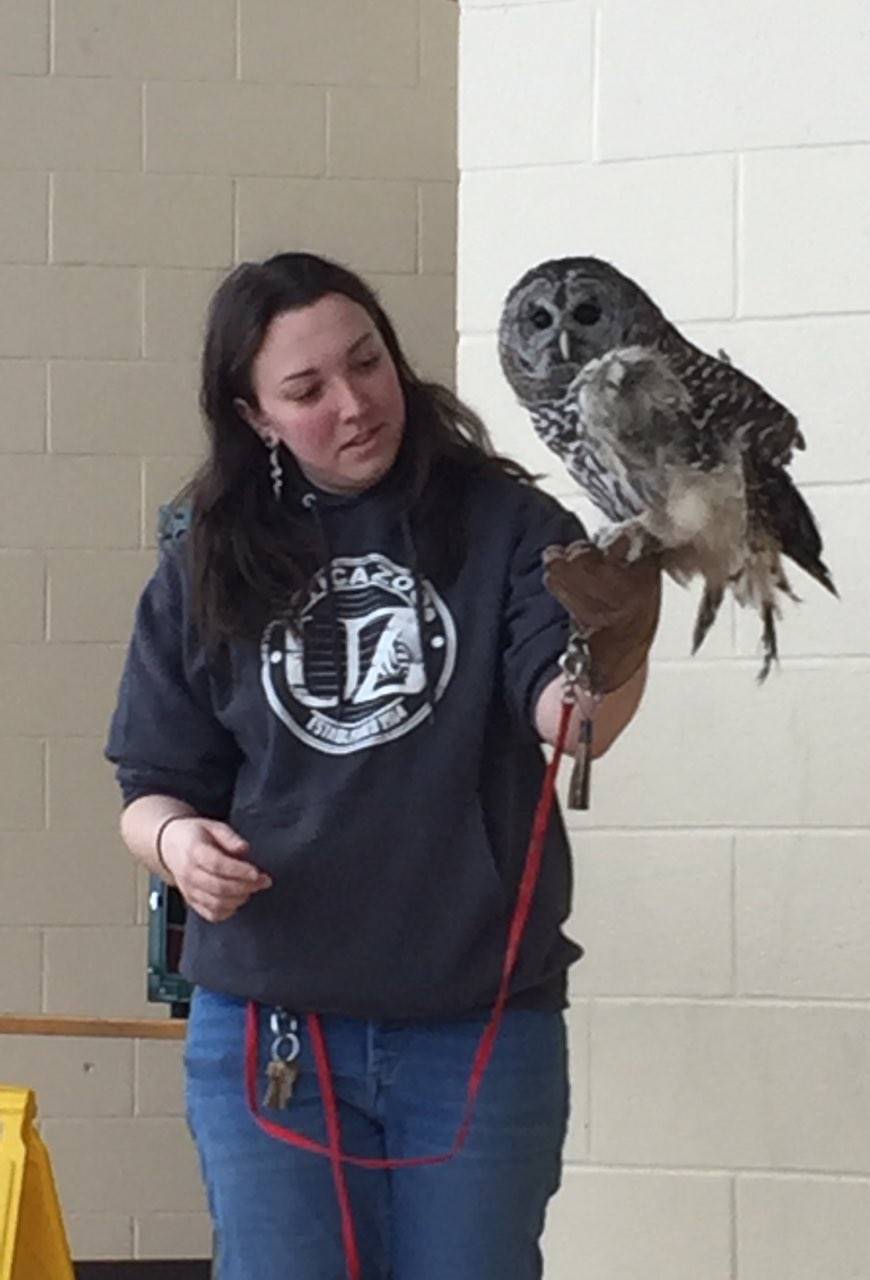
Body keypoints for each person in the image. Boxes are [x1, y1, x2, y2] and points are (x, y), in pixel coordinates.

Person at [105, 252, 661, 1280]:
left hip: (476, 1026)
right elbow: (149, 786)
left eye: (368, 363)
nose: (355, 403)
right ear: (254, 414)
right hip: (272, 1029)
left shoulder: (509, 523)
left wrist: (615, 643)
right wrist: (179, 843)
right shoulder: (206, 552)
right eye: (307, 391)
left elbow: (575, 723)